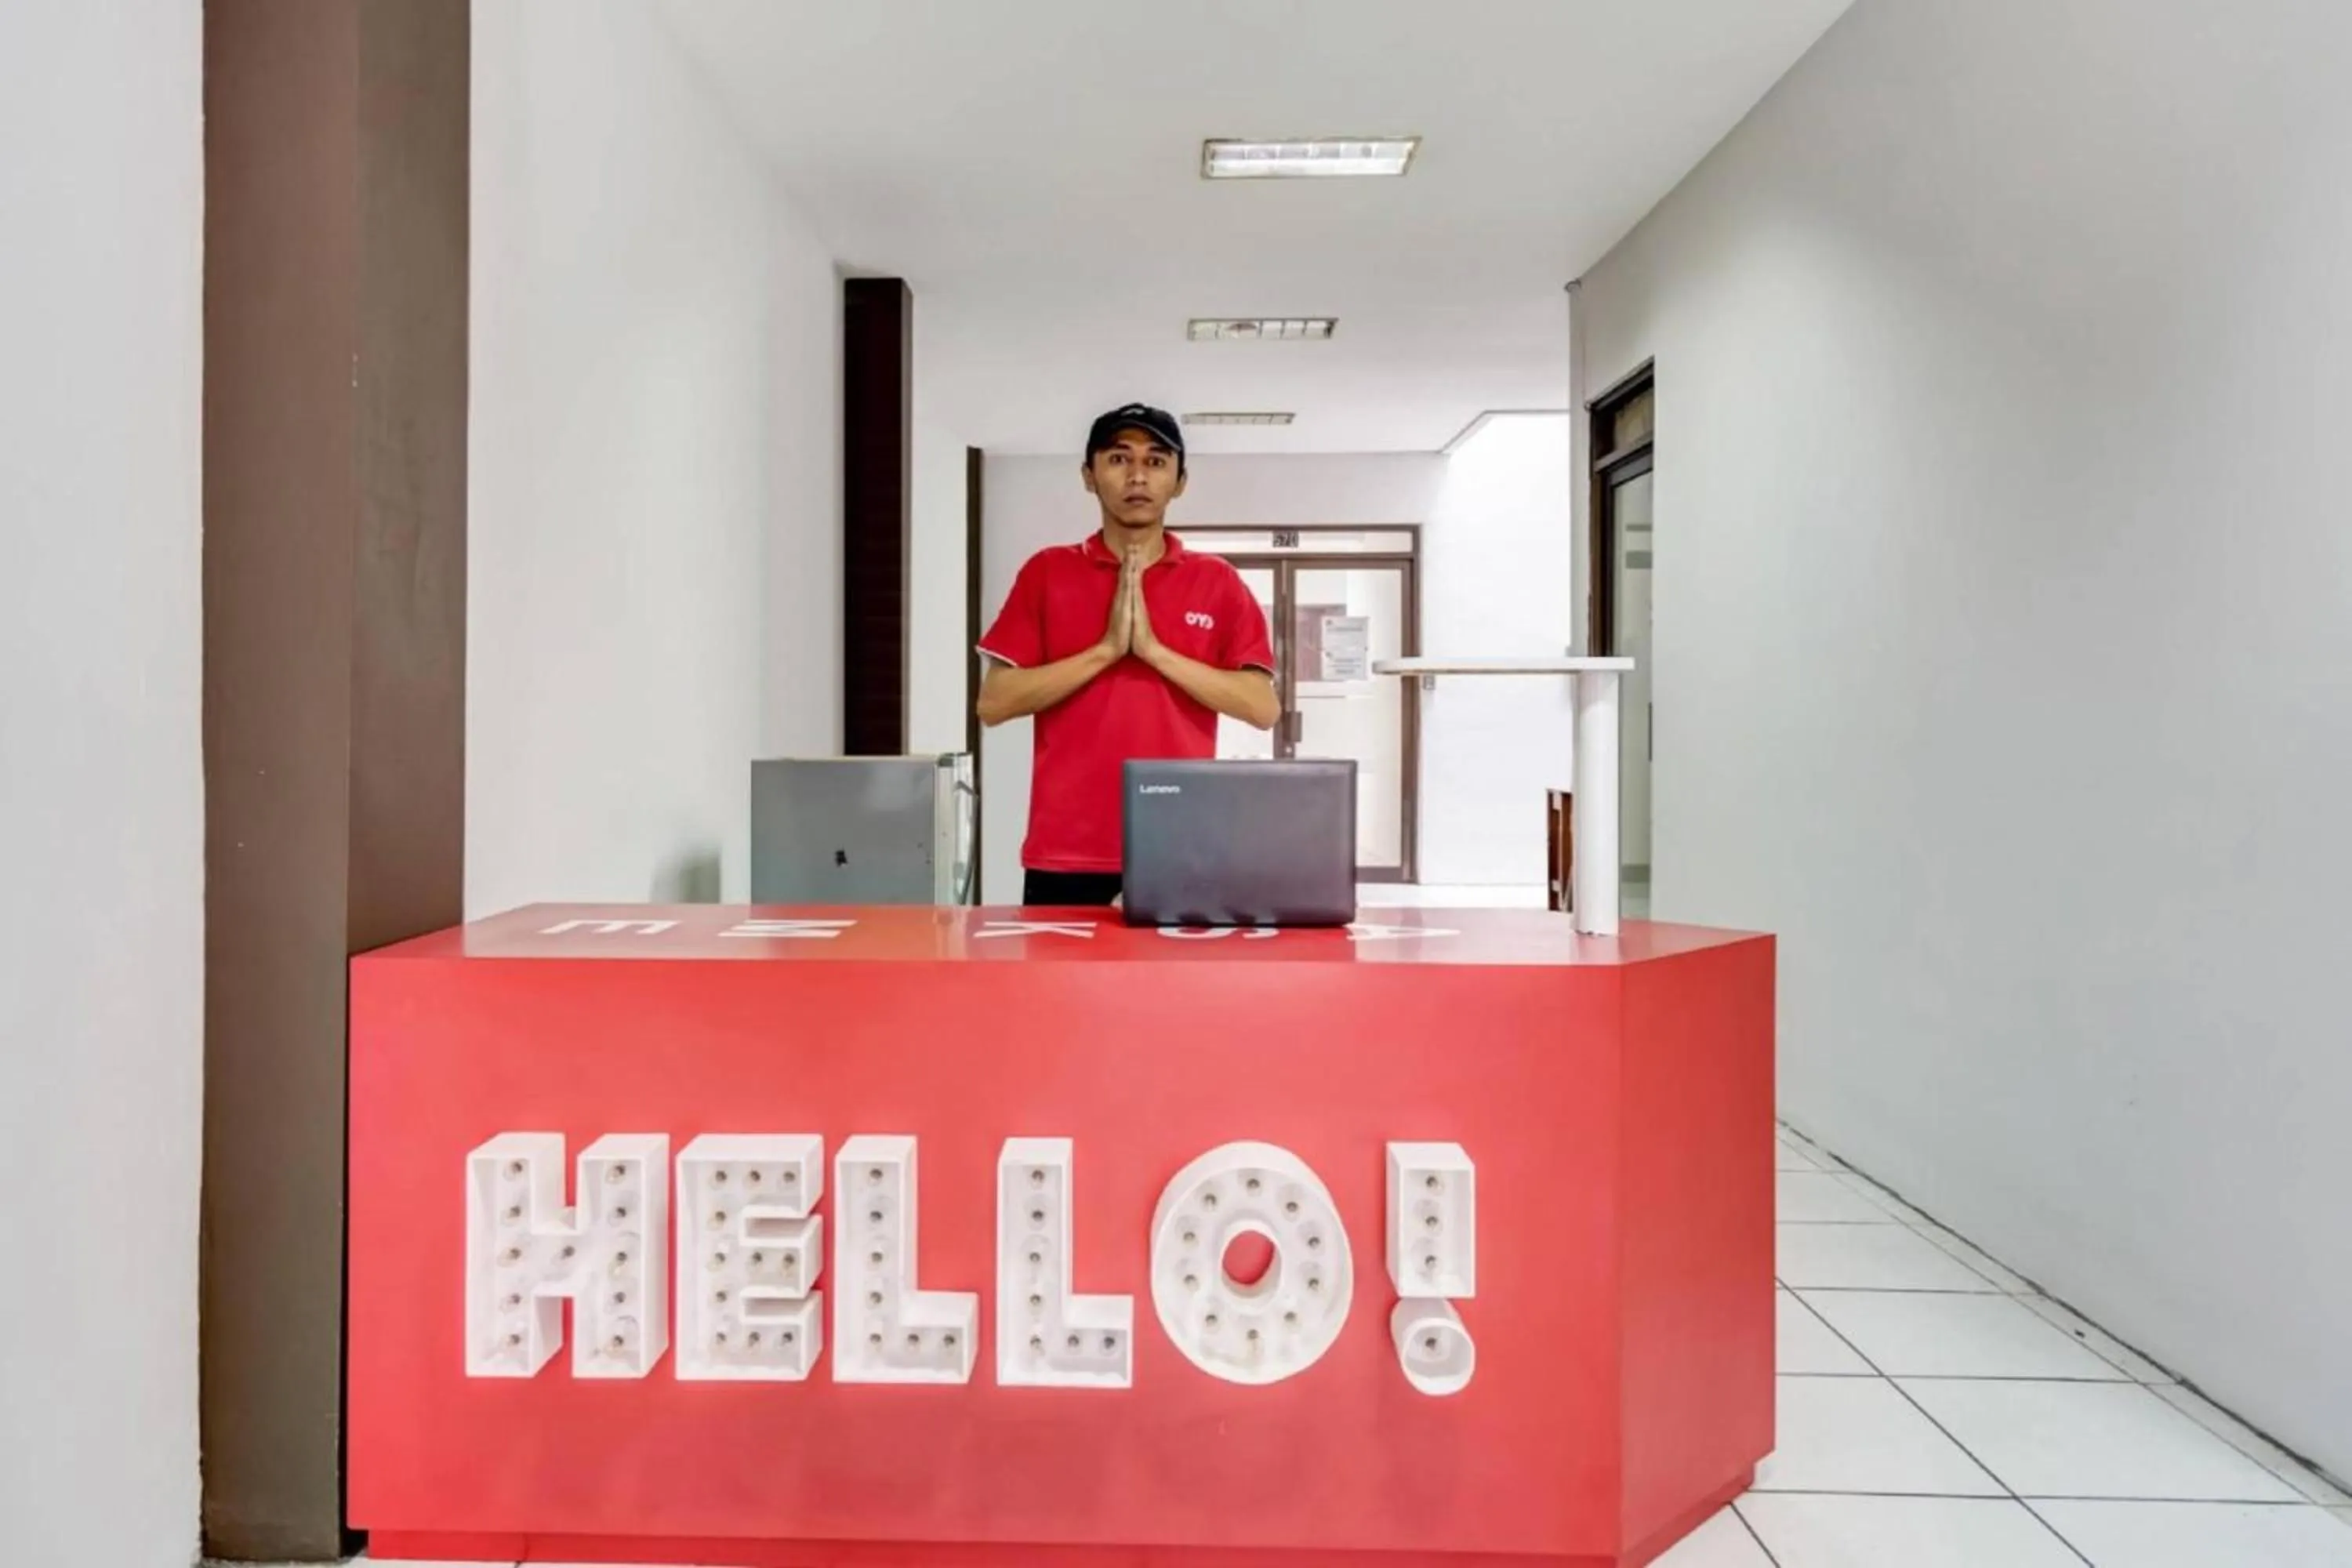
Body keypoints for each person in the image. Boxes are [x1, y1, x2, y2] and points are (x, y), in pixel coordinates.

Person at [977, 404, 1281, 907]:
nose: (1138, 476)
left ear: (1180, 481)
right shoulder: (1047, 572)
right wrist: (1107, 650)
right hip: (1066, 852)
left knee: (1173, 990)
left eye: (1157, 461)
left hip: (1181, 847)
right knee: (1057, 989)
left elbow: (1261, 707)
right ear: (1088, 476)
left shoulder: (1217, 582)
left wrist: (1155, 652)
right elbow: (995, 703)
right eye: (1118, 459)